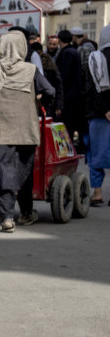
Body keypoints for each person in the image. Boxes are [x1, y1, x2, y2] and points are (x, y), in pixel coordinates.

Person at [0, 31, 55, 232]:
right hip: (25, 130)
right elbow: (50, 91)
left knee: (2, 173)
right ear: (22, 47)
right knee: (24, 173)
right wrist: (38, 103)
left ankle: (7, 217)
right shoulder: (31, 70)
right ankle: (26, 213)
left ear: (2, 48)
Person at [84, 24, 110, 206]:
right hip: (103, 111)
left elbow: (91, 89)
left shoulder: (95, 58)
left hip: (99, 114)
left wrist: (105, 109)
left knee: (96, 155)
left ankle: (98, 193)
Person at [55, 29, 86, 150]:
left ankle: (67, 149)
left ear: (59, 40)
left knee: (67, 124)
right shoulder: (74, 51)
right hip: (75, 94)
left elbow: (64, 76)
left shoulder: (66, 53)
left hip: (68, 95)